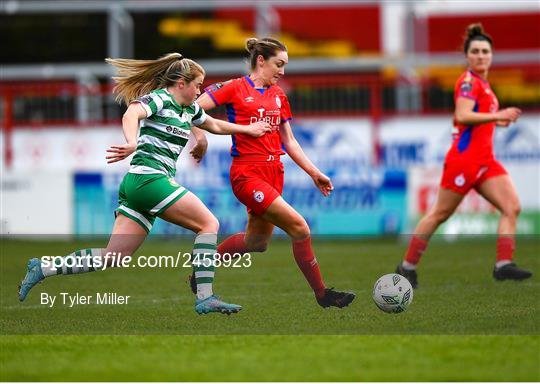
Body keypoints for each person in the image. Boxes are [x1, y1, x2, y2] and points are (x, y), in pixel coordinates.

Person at [18, 52, 272, 315]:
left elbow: (214, 126)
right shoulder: (161, 98)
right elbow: (132, 113)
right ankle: (205, 296)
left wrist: (248, 130)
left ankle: (43, 267)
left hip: (139, 185)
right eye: (198, 84)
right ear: (181, 83)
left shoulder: (189, 109)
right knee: (209, 224)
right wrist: (131, 141)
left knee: (114, 257)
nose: (201, 89)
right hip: (148, 179)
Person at [192, 37, 355, 309]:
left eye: (285, 66)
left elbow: (289, 141)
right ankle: (322, 294)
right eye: (279, 64)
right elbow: (190, 108)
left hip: (274, 173)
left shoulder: (279, 95)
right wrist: (201, 138)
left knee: (257, 243)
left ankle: (201, 269)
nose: (282, 71)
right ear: (261, 60)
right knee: (300, 228)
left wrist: (314, 173)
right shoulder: (234, 87)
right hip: (247, 174)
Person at [396, 24, 533, 288]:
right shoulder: (469, 81)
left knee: (511, 206)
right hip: (465, 161)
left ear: (491, 55)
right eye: (476, 51)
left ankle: (504, 265)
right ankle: (407, 266)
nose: (481, 55)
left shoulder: (483, 84)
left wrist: (495, 121)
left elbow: (475, 119)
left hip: (485, 161)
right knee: (439, 214)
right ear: (468, 56)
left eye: (485, 51)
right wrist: (498, 116)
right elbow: (462, 115)